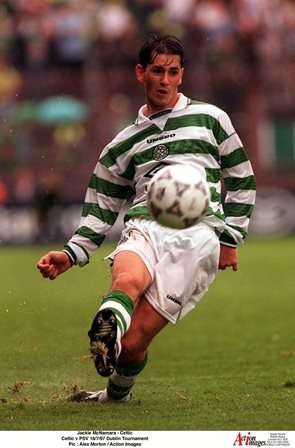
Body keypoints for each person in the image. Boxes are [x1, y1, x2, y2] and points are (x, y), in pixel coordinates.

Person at [37, 34, 256, 403]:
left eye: (172, 72)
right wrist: (71, 253)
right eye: (157, 71)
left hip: (198, 236)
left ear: (182, 75)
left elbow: (242, 179)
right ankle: (106, 330)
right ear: (141, 73)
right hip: (145, 225)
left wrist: (230, 238)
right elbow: (101, 207)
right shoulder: (122, 144)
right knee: (126, 280)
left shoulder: (211, 118)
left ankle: (115, 392)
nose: (165, 80)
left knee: (135, 344)